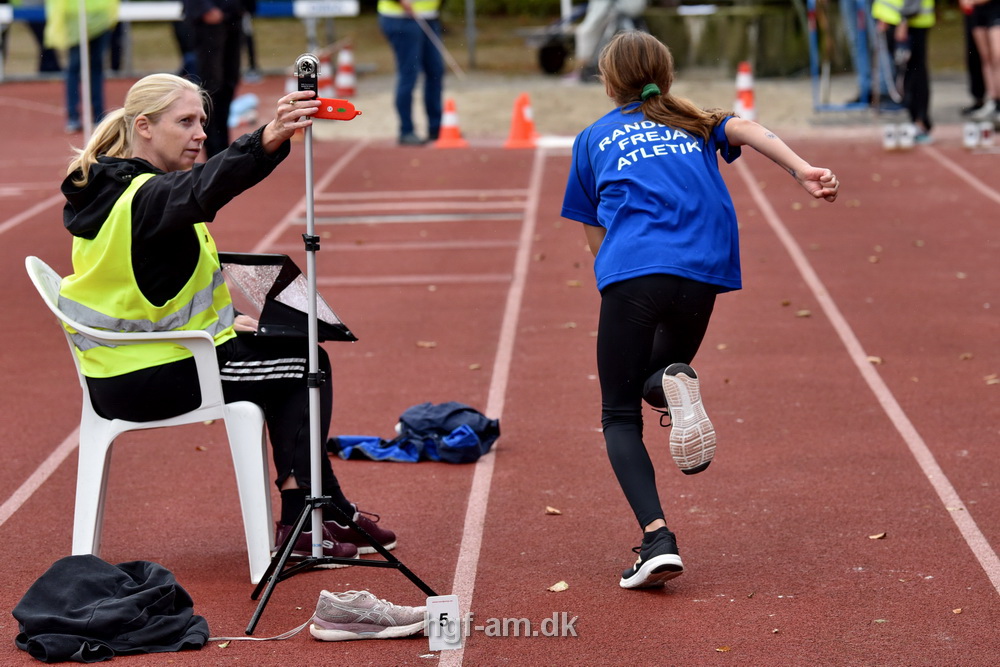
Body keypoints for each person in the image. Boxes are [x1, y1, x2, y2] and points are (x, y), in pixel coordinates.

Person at [56, 73, 397, 566]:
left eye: (203, 122)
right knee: (307, 364)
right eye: (185, 122)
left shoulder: (110, 187)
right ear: (144, 127)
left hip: (127, 369)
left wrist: (229, 318)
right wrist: (269, 136)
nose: (200, 134)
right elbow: (204, 188)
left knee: (288, 354)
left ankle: (328, 509)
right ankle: (304, 519)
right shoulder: (147, 197)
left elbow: (145, 285)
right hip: (155, 376)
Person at [560, 31, 839, 590]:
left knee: (619, 415)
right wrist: (802, 169)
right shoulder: (695, 121)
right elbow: (749, 129)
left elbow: (593, 231)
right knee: (657, 375)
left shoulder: (593, 138)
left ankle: (657, 540)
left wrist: (614, 280)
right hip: (703, 271)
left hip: (634, 270)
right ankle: (670, 382)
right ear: (667, 76)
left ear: (609, 83)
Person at [182, 0, 248, 156]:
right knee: (211, 87)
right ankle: (213, 151)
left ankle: (223, 150)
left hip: (233, 16)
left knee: (228, 84)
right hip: (209, 19)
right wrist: (203, 8)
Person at [44, 0, 118, 133]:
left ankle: (96, 116)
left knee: (93, 67)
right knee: (76, 67)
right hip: (78, 17)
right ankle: (75, 116)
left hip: (97, 16)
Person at [377, 0, 444, 145]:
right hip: (400, 17)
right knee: (409, 74)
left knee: (435, 71)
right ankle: (406, 130)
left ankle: (436, 128)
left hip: (429, 16)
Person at [872, 0, 935, 143]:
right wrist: (883, 15)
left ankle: (920, 121)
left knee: (915, 72)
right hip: (893, 18)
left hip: (910, 21)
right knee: (906, 71)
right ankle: (915, 120)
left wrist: (904, 20)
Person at [568, 0, 646, 82]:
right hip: (614, 8)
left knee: (586, 32)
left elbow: (590, 28)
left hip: (616, 8)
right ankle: (582, 70)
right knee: (588, 32)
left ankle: (580, 70)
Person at [962, 0, 1000, 121]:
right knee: (985, 58)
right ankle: (994, 101)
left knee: (997, 57)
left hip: (995, 8)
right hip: (977, 12)